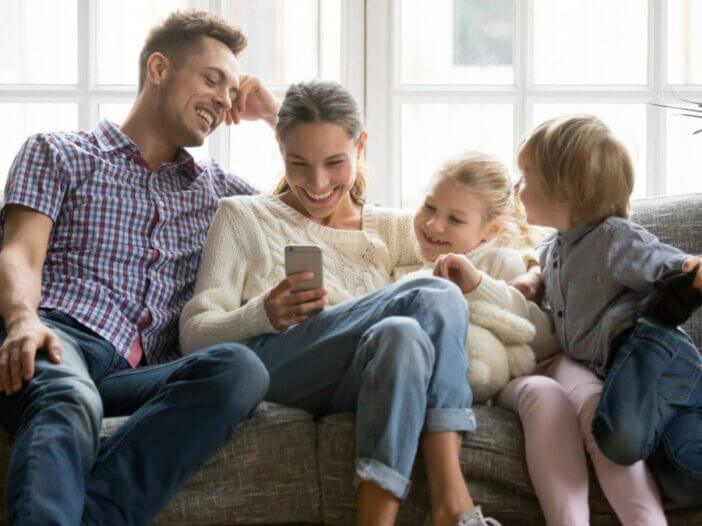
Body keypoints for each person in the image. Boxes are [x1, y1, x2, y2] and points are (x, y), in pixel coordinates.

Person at [0, 10, 279, 525]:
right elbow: (20, 252)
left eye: (232, 90)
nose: (223, 99)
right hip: (61, 341)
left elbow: (326, 205)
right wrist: (22, 320)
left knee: (240, 369)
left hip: (144, 373)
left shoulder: (220, 190)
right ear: (159, 69)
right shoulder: (60, 153)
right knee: (68, 396)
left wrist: (276, 115)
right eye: (212, 79)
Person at [180, 80, 496, 526]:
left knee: (402, 334)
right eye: (299, 163)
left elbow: (480, 247)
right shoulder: (242, 217)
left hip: (360, 377)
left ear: (361, 146)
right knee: (435, 294)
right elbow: (193, 335)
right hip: (279, 370)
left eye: (334, 163)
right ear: (280, 150)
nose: (317, 183)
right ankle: (452, 500)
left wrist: (538, 274)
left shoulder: (395, 229)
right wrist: (262, 313)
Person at [512, 114, 702, 521]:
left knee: (615, 438)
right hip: (628, 382)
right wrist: (531, 282)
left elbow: (666, 263)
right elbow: (543, 268)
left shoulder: (614, 238)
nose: (517, 187)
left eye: (525, 177)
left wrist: (689, 266)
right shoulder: (554, 248)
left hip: (655, 360)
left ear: (565, 192)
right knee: (682, 475)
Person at [393, 151, 560, 401]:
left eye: (455, 219)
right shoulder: (407, 266)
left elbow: (537, 336)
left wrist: (478, 286)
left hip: (490, 381)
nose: (434, 225)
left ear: (490, 230)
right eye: (429, 207)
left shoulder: (501, 261)